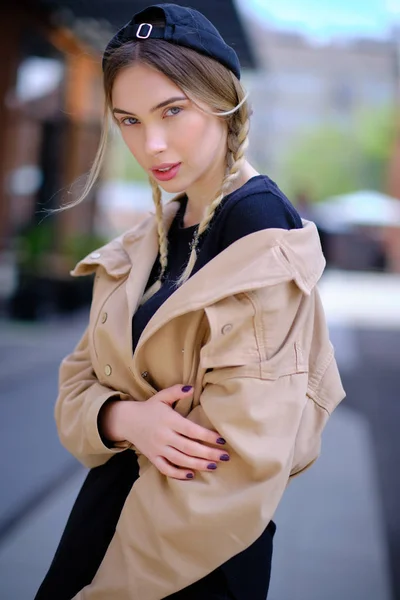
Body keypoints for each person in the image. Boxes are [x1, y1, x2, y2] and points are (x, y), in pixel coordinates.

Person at [35, 4, 346, 600]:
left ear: (223, 99)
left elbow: (231, 466)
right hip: (107, 526)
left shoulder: (259, 232)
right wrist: (123, 418)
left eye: (172, 111)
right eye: (128, 120)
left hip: (187, 561)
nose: (151, 144)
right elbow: (74, 388)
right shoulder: (156, 233)